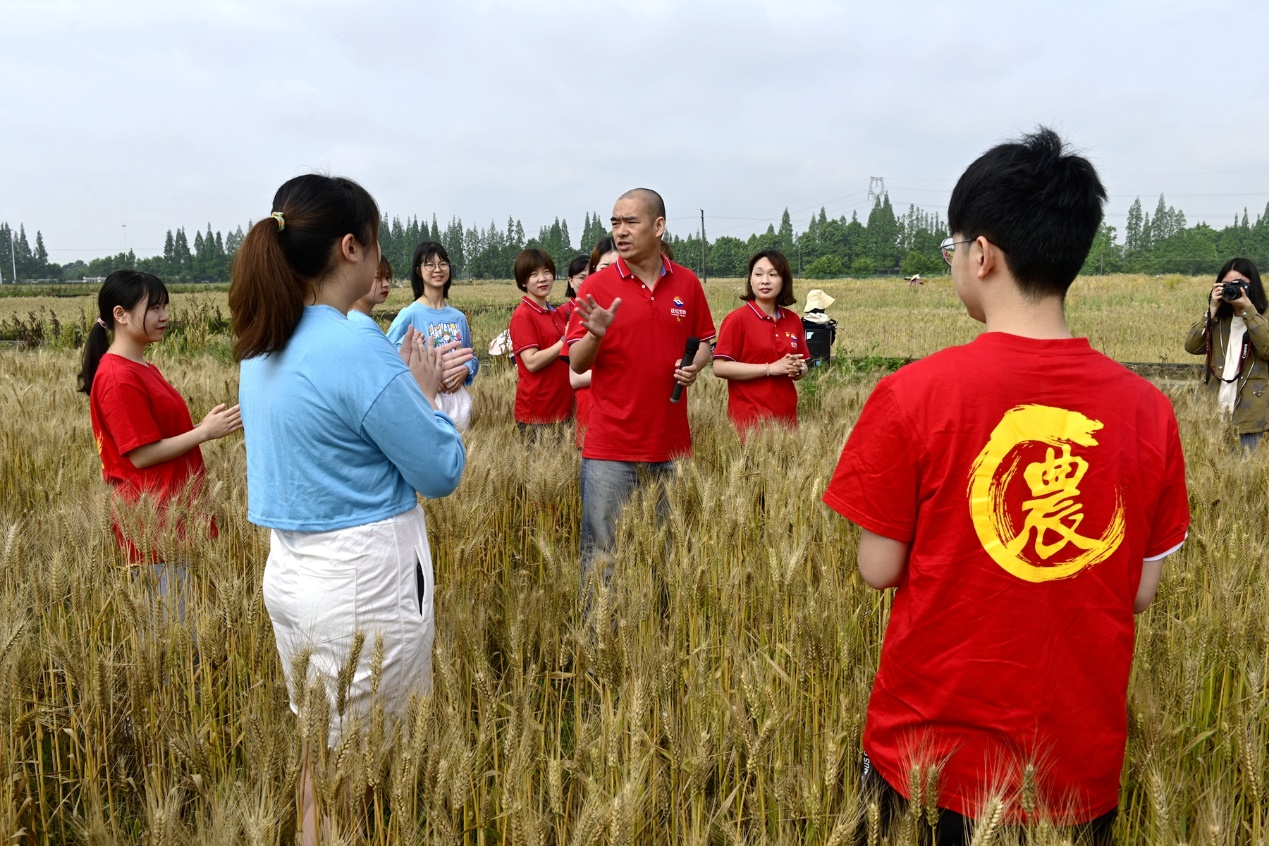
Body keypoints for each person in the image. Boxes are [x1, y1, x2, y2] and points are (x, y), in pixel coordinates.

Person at [821, 128, 1191, 845]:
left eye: (952, 249)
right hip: (1073, 768)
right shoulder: (1148, 410)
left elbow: (879, 568)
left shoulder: (911, 395)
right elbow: (1140, 591)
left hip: (927, 759)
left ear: (981, 254)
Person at [229, 174, 468, 845]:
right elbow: (440, 470)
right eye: (376, 242)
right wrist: (425, 395)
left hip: (293, 573)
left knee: (321, 753)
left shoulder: (262, 342)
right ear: (350, 247)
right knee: (362, 776)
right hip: (363, 584)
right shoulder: (353, 343)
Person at [567, 189, 716, 593]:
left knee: (665, 559)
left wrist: (695, 365)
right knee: (603, 560)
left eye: (630, 222)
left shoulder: (687, 283)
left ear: (658, 226)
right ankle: (600, 634)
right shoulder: (596, 286)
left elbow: (705, 341)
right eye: (615, 223)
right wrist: (595, 335)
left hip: (671, 446)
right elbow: (577, 362)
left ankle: (658, 631)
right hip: (609, 449)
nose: (620, 231)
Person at [77, 269, 241, 575]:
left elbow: (158, 437)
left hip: (177, 514)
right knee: (169, 605)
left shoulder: (142, 367)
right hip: (154, 525)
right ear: (120, 314)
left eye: (164, 306)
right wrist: (204, 433)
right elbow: (142, 455)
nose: (164, 315)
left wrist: (206, 427)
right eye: (154, 308)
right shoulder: (118, 378)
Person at [712, 249, 810, 433]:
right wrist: (770, 368)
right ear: (750, 280)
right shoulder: (737, 320)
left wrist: (798, 369)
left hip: (786, 421)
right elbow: (719, 367)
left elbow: (803, 365)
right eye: (758, 274)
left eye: (773, 274)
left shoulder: (793, 320)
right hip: (749, 423)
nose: (765, 280)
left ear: (784, 280)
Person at [386, 242, 478, 432]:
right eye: (430, 264)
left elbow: (471, 356)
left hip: (458, 402)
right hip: (425, 401)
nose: (437, 269)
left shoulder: (458, 318)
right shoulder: (410, 314)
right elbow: (387, 353)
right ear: (418, 271)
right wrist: (426, 377)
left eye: (442, 263)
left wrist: (466, 370)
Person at [1183, 257, 1269, 452]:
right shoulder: (1219, 319)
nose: (1233, 289)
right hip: (1214, 410)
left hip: (1251, 414)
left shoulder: (1264, 316)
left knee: (1248, 468)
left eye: (1239, 284)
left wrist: (1248, 310)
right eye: (1227, 284)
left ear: (1252, 286)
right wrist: (1211, 309)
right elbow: (1191, 346)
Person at [509, 248, 574, 431]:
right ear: (523, 281)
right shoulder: (523, 315)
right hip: (538, 413)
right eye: (534, 274)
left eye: (546, 272)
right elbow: (531, 362)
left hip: (564, 408)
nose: (542, 278)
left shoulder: (555, 312)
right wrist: (564, 340)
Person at [570, 237, 620, 449]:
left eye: (619, 266)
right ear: (593, 269)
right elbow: (575, 377)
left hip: (627, 417)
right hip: (593, 412)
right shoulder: (584, 311)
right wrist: (624, 375)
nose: (612, 273)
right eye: (604, 267)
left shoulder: (634, 305)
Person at [348, 254, 393, 331]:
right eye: (378, 278)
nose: (386, 284)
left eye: (387, 277)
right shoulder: (362, 324)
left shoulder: (350, 317)